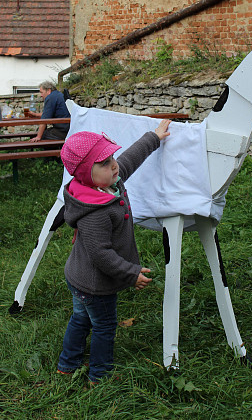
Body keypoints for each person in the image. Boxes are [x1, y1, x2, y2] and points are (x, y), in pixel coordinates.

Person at [57, 119, 171, 384]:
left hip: (78, 277)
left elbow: (130, 159)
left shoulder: (107, 183)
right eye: (105, 162)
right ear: (87, 173)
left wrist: (153, 137)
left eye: (111, 157)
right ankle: (99, 374)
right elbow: (102, 255)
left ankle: (68, 362)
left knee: (80, 318)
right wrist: (131, 273)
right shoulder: (94, 212)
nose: (114, 164)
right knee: (104, 326)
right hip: (95, 284)